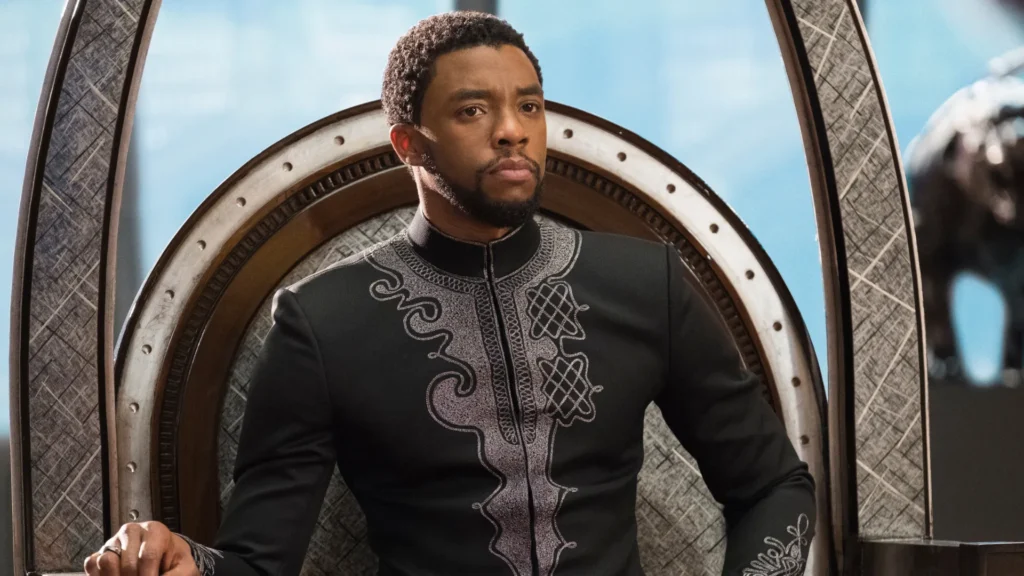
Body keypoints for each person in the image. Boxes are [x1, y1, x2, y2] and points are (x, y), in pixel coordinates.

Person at [85, 11, 815, 576]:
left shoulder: (648, 284)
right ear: (409, 143)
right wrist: (180, 558)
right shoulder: (321, 324)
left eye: (529, 106)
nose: (512, 132)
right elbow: (258, 563)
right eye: (473, 111)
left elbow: (776, 486)